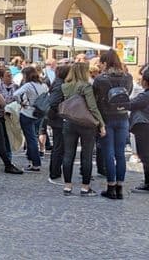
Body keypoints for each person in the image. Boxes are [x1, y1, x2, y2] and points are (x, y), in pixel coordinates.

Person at [93, 50, 133, 199]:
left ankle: (110, 187)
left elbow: (96, 101)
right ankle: (120, 188)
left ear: (105, 63)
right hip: (122, 117)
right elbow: (127, 93)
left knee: (108, 153)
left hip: (106, 118)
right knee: (120, 154)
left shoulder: (100, 80)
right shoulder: (128, 77)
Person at [61, 62, 106, 196]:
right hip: (86, 124)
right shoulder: (86, 86)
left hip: (69, 122)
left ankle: (67, 186)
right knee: (86, 156)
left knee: (68, 155)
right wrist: (101, 124)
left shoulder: (65, 86)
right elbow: (92, 107)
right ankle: (85, 187)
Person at [13, 66, 49, 172]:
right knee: (35, 136)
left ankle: (35, 163)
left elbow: (16, 94)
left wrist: (21, 102)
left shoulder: (28, 85)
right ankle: (31, 161)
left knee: (30, 139)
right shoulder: (43, 84)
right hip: (40, 113)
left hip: (28, 112)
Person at [46, 64, 71, 184]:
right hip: (58, 120)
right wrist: (62, 111)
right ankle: (54, 173)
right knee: (58, 147)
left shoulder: (58, 83)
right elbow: (54, 102)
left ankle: (56, 172)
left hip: (57, 120)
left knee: (59, 147)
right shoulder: (60, 85)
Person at [127, 66, 149, 194]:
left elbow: (131, 104)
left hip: (144, 127)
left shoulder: (145, 96)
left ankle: (147, 183)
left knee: (145, 156)